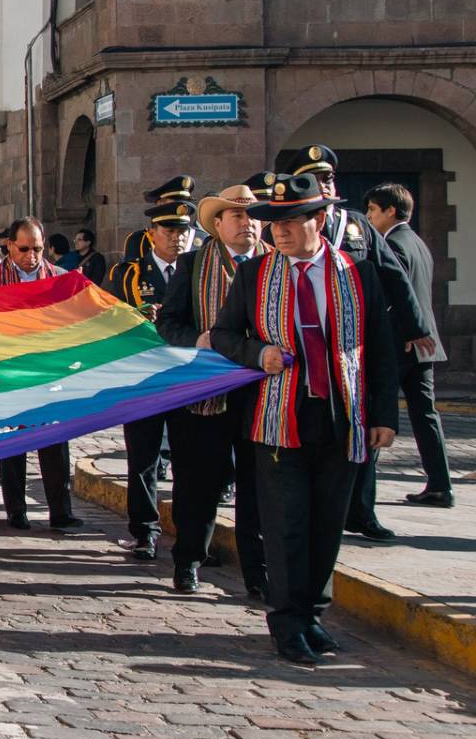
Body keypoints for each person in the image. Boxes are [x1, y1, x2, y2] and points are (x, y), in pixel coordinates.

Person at [211, 173, 399, 664]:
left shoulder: (356, 273)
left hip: (342, 416)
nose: (279, 232)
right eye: (273, 223)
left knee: (327, 524)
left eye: (290, 221)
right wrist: (258, 352)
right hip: (280, 417)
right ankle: (287, 620)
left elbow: (380, 347)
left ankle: (314, 613)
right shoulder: (255, 276)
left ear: (319, 220)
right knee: (286, 524)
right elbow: (225, 335)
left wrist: (384, 414)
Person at [288, 145, 433, 542]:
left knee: (364, 425)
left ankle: (362, 511)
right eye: (317, 178)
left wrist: (416, 326)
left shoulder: (356, 225)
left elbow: (393, 276)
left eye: (330, 176)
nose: (327, 182)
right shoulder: (287, 227)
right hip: (308, 342)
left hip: (355, 344)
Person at [156, 183, 269, 597]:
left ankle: (258, 573)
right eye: (237, 216)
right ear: (217, 224)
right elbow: (167, 324)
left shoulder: (274, 265)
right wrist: (195, 339)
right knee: (197, 484)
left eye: (253, 216)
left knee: (258, 487)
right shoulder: (193, 265)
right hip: (204, 394)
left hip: (259, 394)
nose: (247, 224)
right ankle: (188, 561)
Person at [0, 218, 81, 531]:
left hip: (48, 373)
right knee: (12, 444)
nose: (31, 256)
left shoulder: (59, 277)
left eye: (38, 249)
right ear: (8, 246)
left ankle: (61, 511)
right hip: (7, 372)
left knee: (55, 443)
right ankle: (16, 510)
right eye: (24, 249)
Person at [363, 182, 452, 510]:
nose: (370, 217)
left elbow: (396, 298)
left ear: (390, 210)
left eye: (373, 210)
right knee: (425, 414)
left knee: (377, 410)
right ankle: (440, 484)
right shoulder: (418, 242)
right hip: (424, 345)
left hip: (401, 344)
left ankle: (362, 492)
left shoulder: (394, 245)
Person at [112, 199, 192, 559]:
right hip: (143, 377)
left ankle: (192, 534)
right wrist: (138, 316)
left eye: (184, 231)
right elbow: (106, 320)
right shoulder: (127, 274)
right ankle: (144, 530)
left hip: (187, 378)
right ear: (152, 234)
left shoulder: (199, 270)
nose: (178, 238)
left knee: (190, 461)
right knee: (143, 458)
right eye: (170, 231)